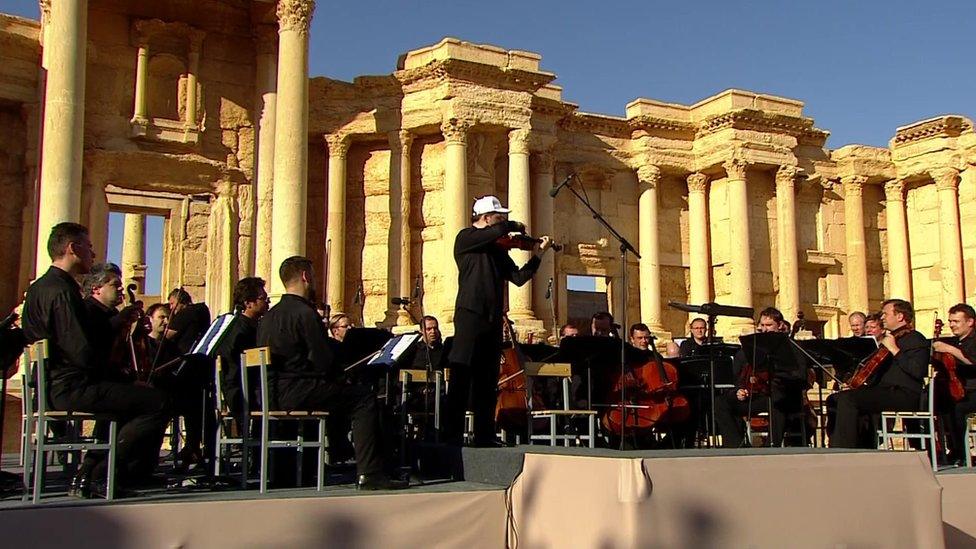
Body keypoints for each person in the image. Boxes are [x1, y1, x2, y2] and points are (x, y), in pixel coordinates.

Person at [21, 222, 168, 497]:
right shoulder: (63, 292)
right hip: (69, 387)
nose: (93, 252)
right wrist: (125, 377)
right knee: (156, 402)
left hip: (50, 384)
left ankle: (89, 472)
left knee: (123, 398)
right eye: (88, 247)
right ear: (72, 248)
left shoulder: (41, 287)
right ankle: (99, 475)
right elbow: (82, 353)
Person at [256, 255, 406, 489]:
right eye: (313, 277)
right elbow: (322, 360)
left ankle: (289, 471)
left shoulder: (268, 317)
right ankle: (370, 473)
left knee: (341, 393)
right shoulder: (305, 314)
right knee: (363, 399)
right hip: (297, 390)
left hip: (270, 392)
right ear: (306, 277)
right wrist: (343, 374)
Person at [445, 195, 552, 447]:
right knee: (461, 376)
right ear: (486, 217)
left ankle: (484, 436)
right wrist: (513, 224)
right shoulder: (466, 238)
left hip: (493, 317)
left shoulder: (496, 249)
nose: (502, 219)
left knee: (487, 379)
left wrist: (538, 256)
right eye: (498, 215)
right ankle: (450, 436)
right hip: (470, 313)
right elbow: (498, 231)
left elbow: (517, 277)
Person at [830, 299, 930, 448]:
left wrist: (895, 350)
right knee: (835, 398)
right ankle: (857, 446)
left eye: (885, 314)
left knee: (849, 399)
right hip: (884, 391)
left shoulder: (915, 338)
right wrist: (855, 383)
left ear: (900, 316)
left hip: (905, 393)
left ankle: (844, 450)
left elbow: (918, 371)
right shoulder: (890, 339)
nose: (882, 317)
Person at [713, 307, 805, 447]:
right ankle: (737, 445)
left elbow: (800, 376)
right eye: (762, 325)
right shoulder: (750, 348)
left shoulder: (792, 348)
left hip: (780, 394)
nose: (764, 329)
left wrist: (778, 378)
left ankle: (771, 445)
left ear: (779, 326)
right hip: (755, 394)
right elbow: (738, 377)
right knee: (721, 402)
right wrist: (739, 390)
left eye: (769, 325)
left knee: (777, 399)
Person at [213, 277, 269, 423]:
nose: (267, 302)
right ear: (248, 303)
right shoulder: (241, 330)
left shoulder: (244, 326)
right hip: (242, 392)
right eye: (263, 298)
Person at [931, 303, 976, 465]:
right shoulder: (954, 341)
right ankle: (941, 449)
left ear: (970, 322)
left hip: (973, 390)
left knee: (956, 408)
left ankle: (962, 453)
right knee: (939, 403)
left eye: (956, 321)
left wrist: (949, 350)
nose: (951, 325)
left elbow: (972, 362)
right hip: (959, 390)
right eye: (950, 321)